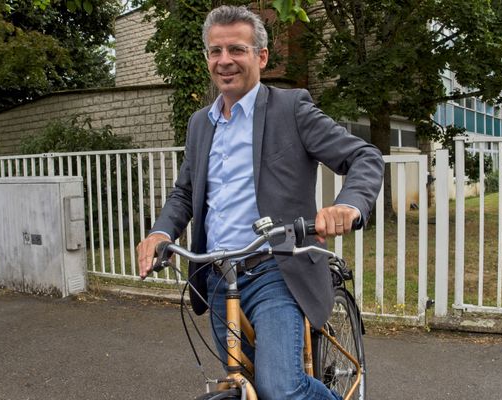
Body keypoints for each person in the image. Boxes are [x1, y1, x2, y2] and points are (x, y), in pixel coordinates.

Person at [136, 5, 384, 399]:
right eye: (215, 52)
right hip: (217, 276)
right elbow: (185, 192)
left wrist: (349, 205)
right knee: (243, 382)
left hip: (276, 270)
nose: (225, 61)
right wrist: (160, 232)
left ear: (261, 57)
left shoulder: (291, 109)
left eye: (237, 49)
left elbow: (363, 157)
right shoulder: (200, 123)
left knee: (280, 389)